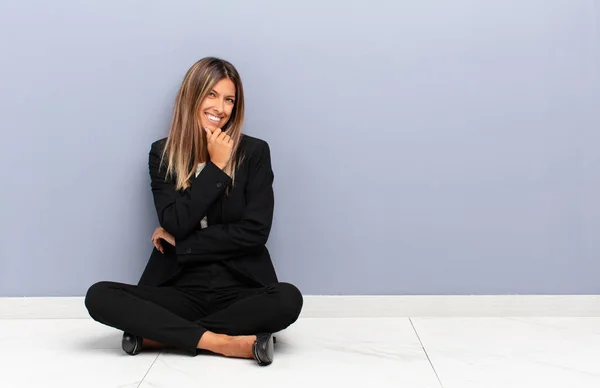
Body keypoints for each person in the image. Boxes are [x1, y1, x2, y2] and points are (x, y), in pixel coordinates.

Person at [84, 57, 303, 366]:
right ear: (193, 96)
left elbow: (255, 231)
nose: (221, 107)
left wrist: (184, 244)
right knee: (99, 296)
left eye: (229, 99)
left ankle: (160, 335)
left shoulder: (254, 153)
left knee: (288, 299)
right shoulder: (163, 153)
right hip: (179, 288)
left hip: (239, 288)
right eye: (211, 94)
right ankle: (224, 343)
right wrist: (215, 167)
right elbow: (175, 220)